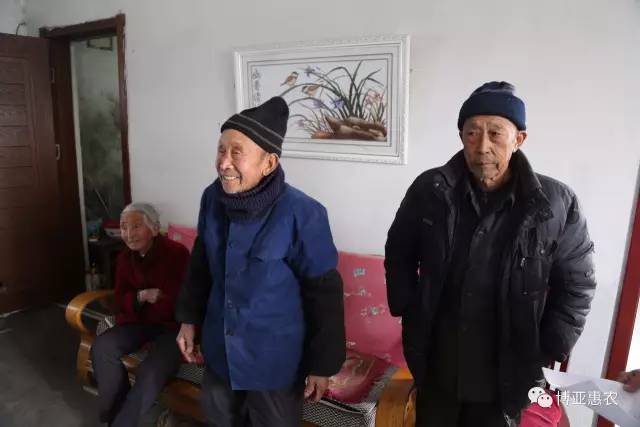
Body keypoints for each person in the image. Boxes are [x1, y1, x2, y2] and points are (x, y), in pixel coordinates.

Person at [385, 81, 597, 426]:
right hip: (437, 361)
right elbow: (399, 251)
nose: (482, 146)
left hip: (507, 371)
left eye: (495, 133)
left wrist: (546, 348)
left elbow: (577, 285)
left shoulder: (556, 203)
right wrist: (408, 308)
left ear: (519, 139)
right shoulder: (431, 189)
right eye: (472, 133)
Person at [175, 97, 345, 427]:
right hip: (220, 351)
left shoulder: (303, 212)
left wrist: (322, 365)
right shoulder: (212, 198)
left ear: (268, 163)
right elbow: (200, 264)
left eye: (236, 152)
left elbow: (325, 293)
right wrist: (188, 319)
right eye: (221, 150)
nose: (224, 163)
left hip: (274, 362)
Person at [91, 203, 190, 427]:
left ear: (154, 229)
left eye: (136, 226)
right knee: (103, 348)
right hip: (139, 320)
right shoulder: (125, 258)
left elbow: (185, 300)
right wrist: (140, 296)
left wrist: (155, 303)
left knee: (151, 370)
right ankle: (115, 417)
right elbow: (120, 298)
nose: (128, 234)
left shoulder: (177, 254)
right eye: (124, 227)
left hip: (173, 326)